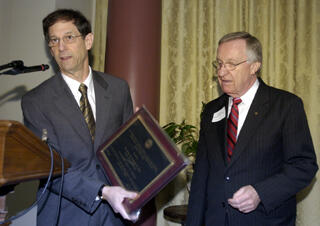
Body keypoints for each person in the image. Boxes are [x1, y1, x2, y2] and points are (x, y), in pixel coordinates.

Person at [186, 31, 318, 226]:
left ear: (254, 66)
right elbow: (201, 177)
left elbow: (304, 166)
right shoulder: (212, 110)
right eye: (219, 64)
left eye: (231, 64)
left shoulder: (285, 106)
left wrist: (261, 193)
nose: (222, 72)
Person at [21, 9, 139, 225]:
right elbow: (50, 170)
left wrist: (141, 137)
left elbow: (126, 154)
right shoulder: (36, 101)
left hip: (114, 217)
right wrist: (102, 191)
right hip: (64, 216)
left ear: (88, 40)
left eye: (68, 37)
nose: (61, 47)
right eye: (54, 41)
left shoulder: (118, 89)